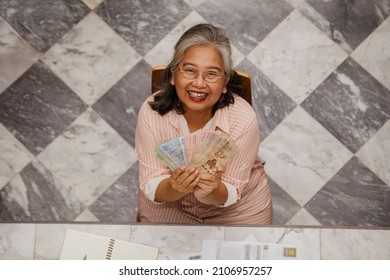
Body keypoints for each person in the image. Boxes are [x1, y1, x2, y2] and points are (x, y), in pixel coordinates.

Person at [135, 23, 272, 224]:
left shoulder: (243, 117)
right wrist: (173, 188)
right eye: (190, 70)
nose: (199, 83)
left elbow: (231, 189)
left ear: (225, 82)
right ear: (173, 75)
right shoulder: (151, 111)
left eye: (212, 73)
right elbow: (152, 181)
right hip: (169, 204)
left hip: (237, 208)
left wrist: (211, 191)